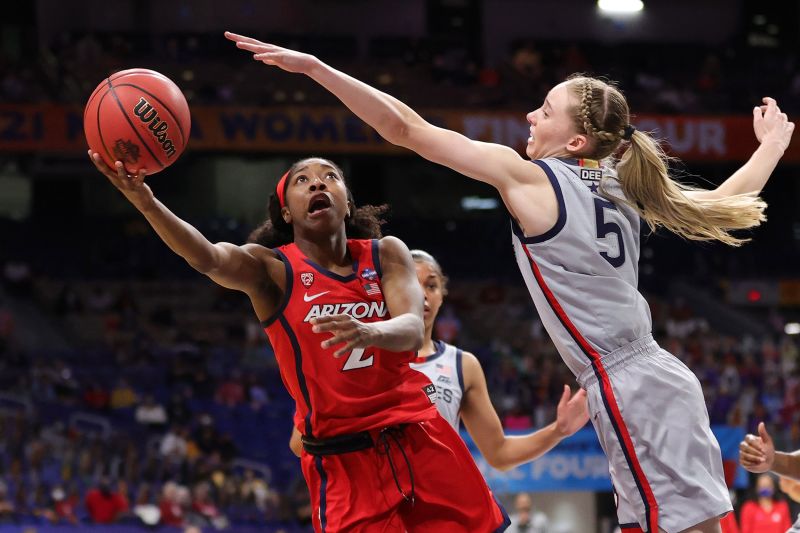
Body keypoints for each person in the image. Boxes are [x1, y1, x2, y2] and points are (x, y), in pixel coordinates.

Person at [225, 31, 795, 533]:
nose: (530, 116)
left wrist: (318, 69)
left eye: (545, 111)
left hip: (629, 383)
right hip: (663, 375)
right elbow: (721, 201)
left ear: (575, 141)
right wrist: (771, 145)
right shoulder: (623, 184)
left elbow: (405, 128)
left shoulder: (532, 179)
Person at [88, 152, 509, 532]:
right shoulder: (271, 270)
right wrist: (145, 201)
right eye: (302, 180)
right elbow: (207, 257)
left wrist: (370, 331)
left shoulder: (387, 254)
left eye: (330, 176)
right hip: (343, 461)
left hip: (419, 437)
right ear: (287, 211)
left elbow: (412, 328)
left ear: (346, 201)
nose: (317, 183)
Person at [290, 249, 589, 469]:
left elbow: (499, 453)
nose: (421, 295)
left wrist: (558, 430)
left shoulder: (463, 365)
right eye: (410, 284)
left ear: (443, 295)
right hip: (377, 504)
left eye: (431, 285)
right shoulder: (357, 358)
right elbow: (298, 442)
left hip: (440, 506)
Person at [739, 422, 800, 532]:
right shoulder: (749, 507)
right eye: (762, 486)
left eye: (767, 486)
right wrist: (773, 460)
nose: (765, 489)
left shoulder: (782, 506)